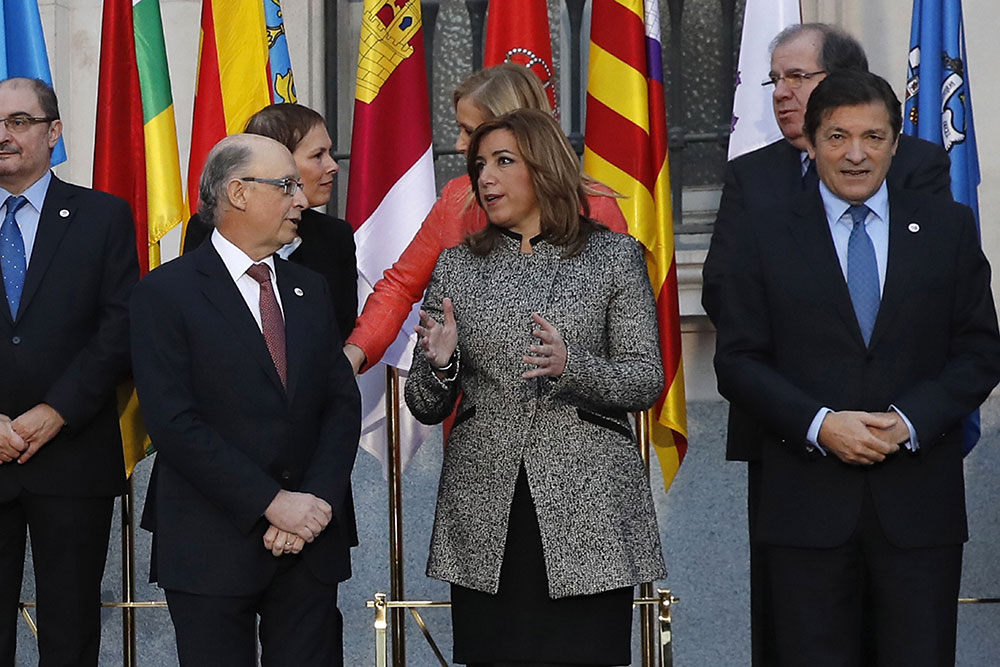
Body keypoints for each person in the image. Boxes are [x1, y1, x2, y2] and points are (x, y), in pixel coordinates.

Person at [713, 70, 1000, 666]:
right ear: (811, 142)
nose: (855, 154)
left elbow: (979, 351)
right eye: (838, 136)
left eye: (873, 137)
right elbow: (739, 361)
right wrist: (820, 424)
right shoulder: (762, 233)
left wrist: (909, 421)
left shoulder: (947, 227)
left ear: (896, 143)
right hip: (805, 510)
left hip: (919, 512)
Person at [405, 109, 666, 667]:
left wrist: (573, 367)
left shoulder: (612, 257)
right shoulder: (456, 267)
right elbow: (425, 405)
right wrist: (441, 363)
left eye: (504, 162)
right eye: (479, 166)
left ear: (545, 166)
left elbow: (645, 378)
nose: (486, 179)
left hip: (589, 504)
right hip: (486, 504)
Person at [130, 134, 361, 666]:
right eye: (285, 186)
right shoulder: (165, 293)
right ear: (237, 193)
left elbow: (339, 405)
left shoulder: (310, 288)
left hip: (310, 541)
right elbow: (173, 422)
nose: (301, 200)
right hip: (210, 540)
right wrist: (271, 502)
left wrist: (313, 505)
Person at [344, 63, 628, 374]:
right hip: (475, 403)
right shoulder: (457, 200)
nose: (459, 145)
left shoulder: (594, 208)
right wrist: (354, 354)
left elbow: (622, 325)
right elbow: (399, 288)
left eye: (468, 130)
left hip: (572, 403)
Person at [0, 78, 138, 665]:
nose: (3, 136)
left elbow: (120, 328)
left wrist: (55, 411)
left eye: (19, 121)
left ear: (54, 133)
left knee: (71, 630)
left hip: (73, 452)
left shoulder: (102, 216)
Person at [183, 103, 357, 338]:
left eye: (330, 153)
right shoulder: (211, 229)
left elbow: (338, 331)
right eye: (318, 155)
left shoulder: (334, 236)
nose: (333, 166)